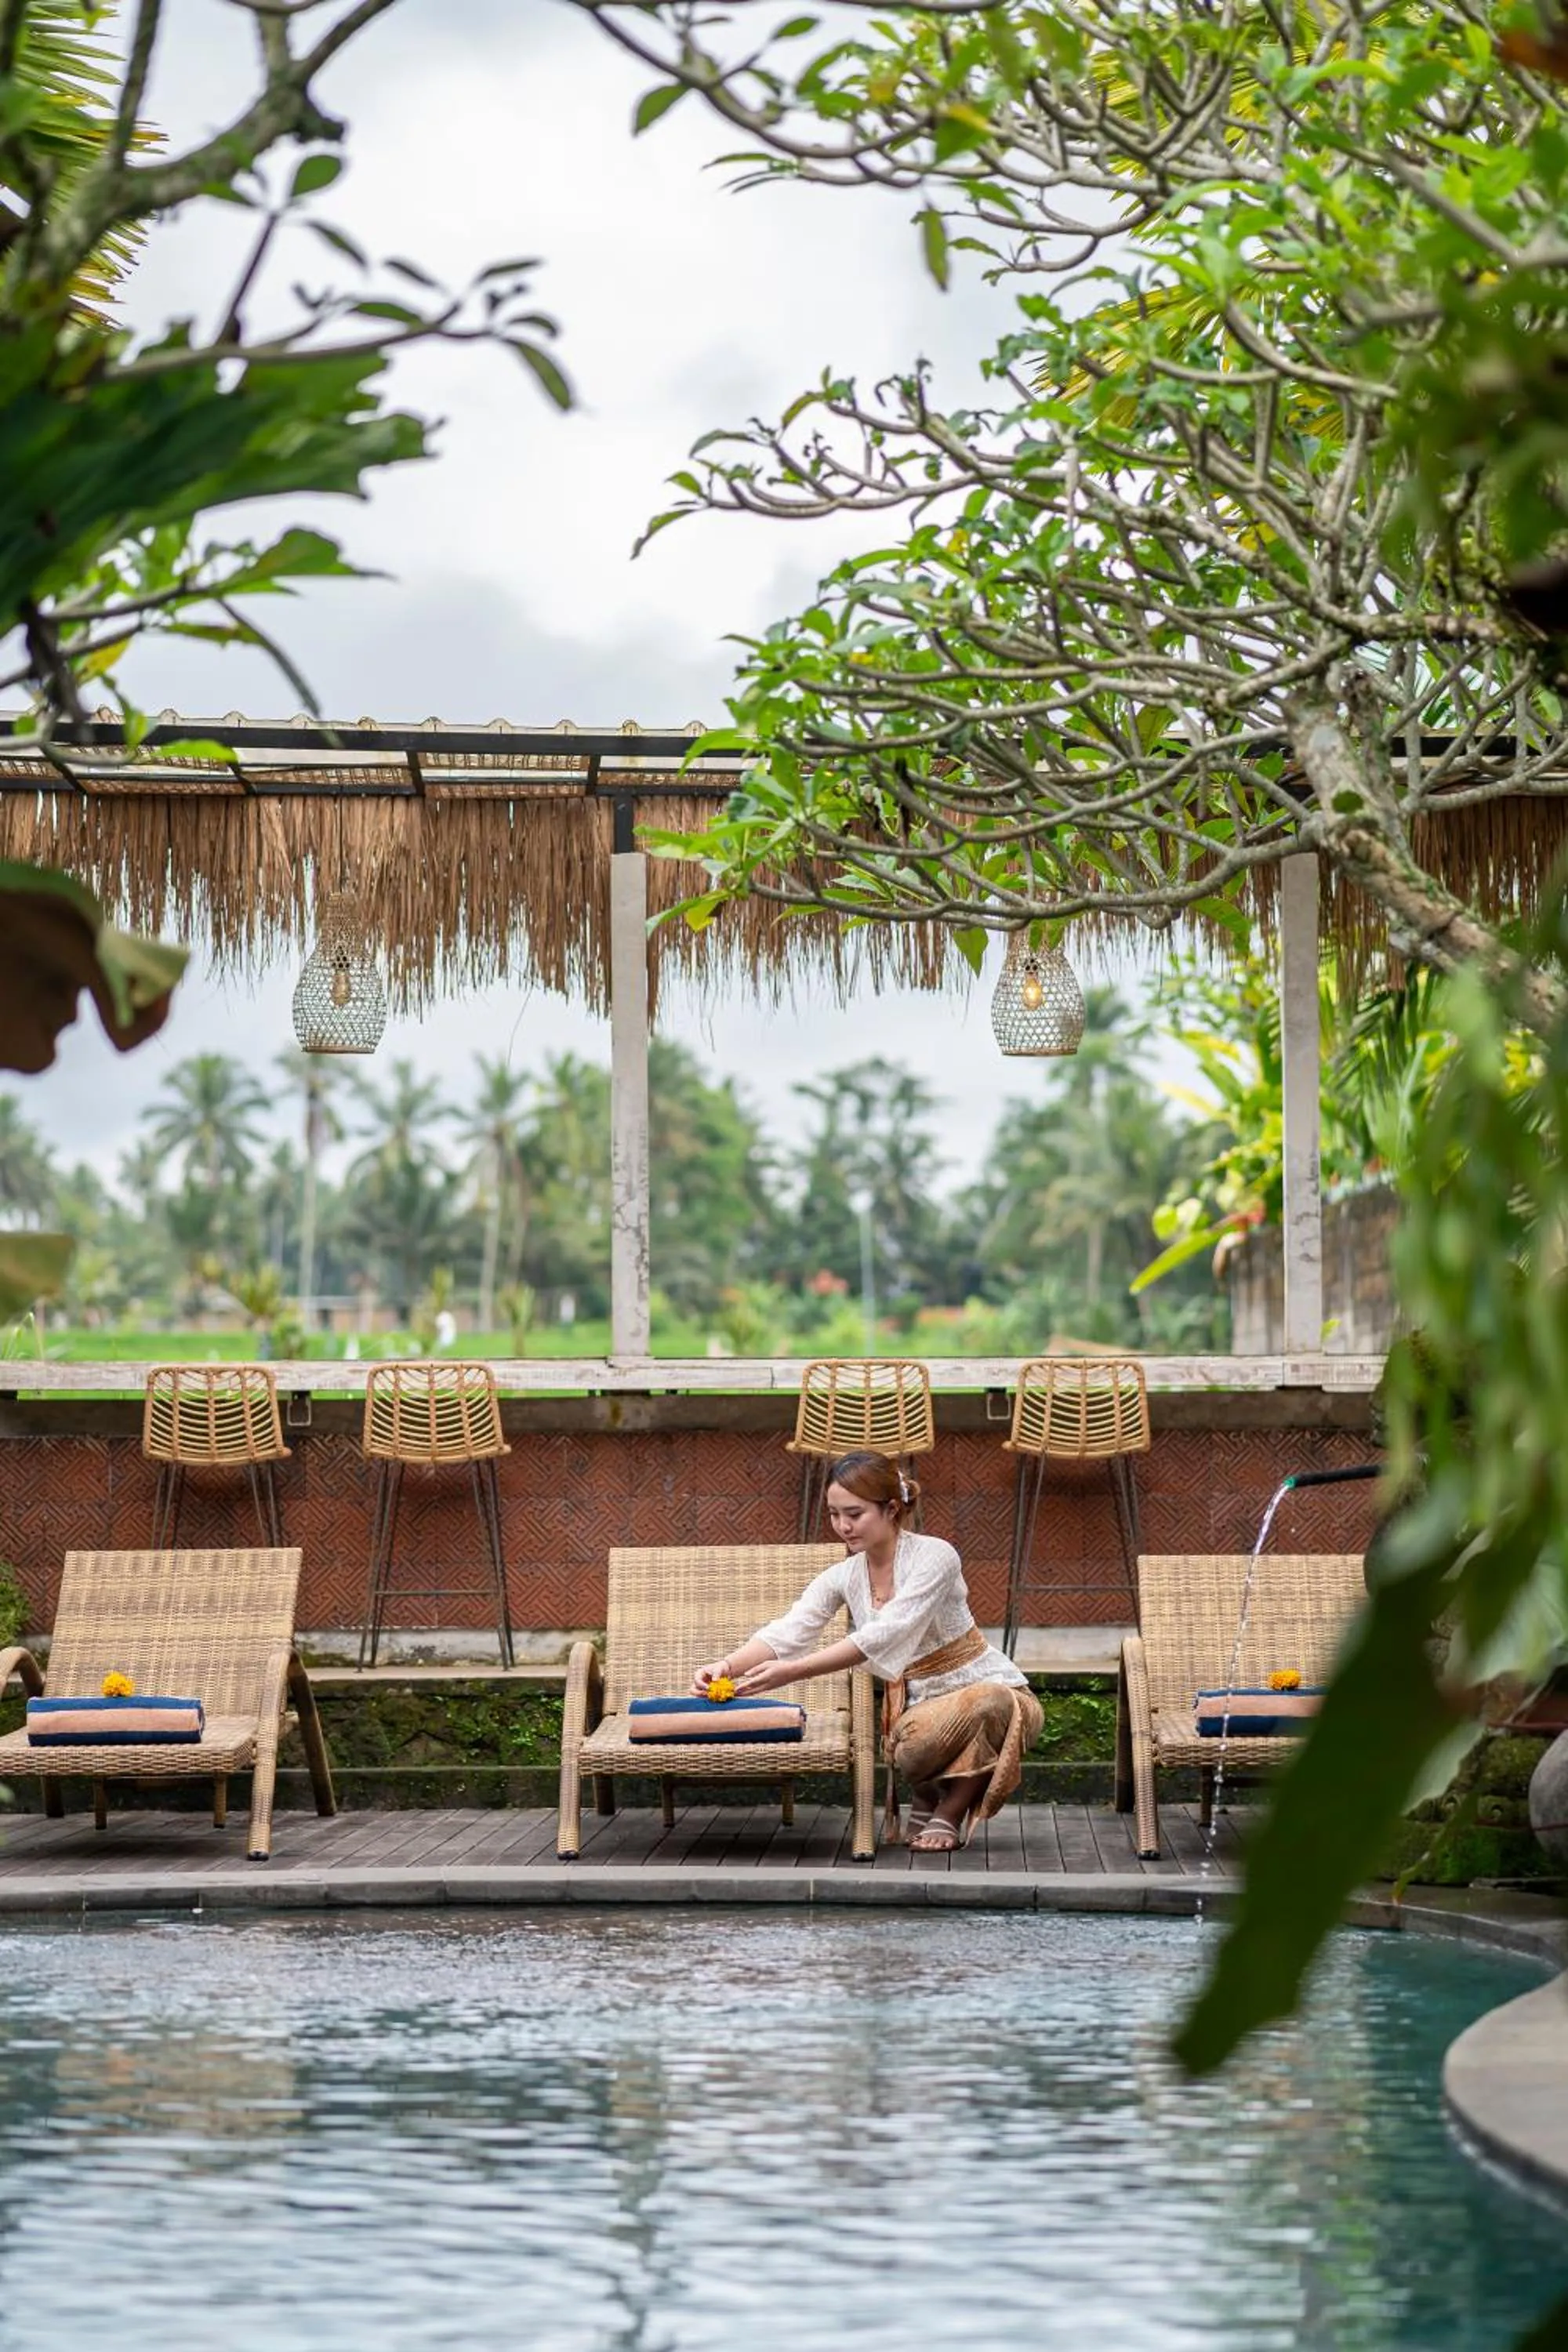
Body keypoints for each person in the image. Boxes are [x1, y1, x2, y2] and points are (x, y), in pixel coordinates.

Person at [691, 1447, 1042, 1852]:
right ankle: (927, 1789)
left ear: (892, 1509)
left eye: (854, 1514)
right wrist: (727, 1665)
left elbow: (887, 1633)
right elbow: (790, 1629)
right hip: (917, 1714)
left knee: (991, 1701)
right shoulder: (842, 1576)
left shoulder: (936, 1556)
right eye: (834, 1514)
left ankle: (950, 1810)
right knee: (913, 1750)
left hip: (1001, 1697)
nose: (842, 1526)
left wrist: (793, 1671)